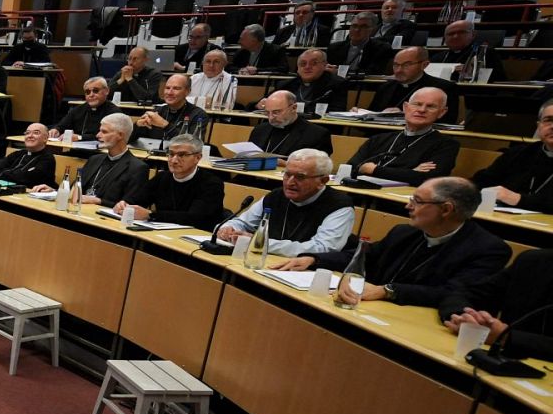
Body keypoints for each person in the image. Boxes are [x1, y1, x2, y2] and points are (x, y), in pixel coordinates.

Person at [275, 178, 509, 308]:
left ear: (446, 209)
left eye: (417, 201)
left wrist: (388, 291)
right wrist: (313, 259)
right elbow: (365, 256)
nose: (408, 206)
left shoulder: (488, 249)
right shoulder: (404, 232)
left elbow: (456, 293)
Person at [216, 148, 353, 255]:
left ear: (322, 181)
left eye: (300, 177)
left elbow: (323, 248)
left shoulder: (339, 206)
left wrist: (261, 243)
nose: (290, 182)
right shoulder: (276, 195)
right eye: (287, 174)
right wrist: (228, 228)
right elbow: (242, 223)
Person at [440, 249, 553, 361]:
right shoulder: (534, 260)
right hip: (498, 360)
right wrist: (466, 318)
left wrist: (507, 337)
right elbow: (466, 294)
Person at [346, 88, 458, 186]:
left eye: (431, 106)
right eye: (417, 104)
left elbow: (426, 179)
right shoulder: (378, 139)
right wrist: (409, 172)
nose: (422, 110)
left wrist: (373, 169)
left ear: (442, 112)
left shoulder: (446, 145)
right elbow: (350, 168)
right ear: (405, 107)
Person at [34, 113, 146, 206]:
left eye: (104, 132)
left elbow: (130, 206)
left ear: (120, 135)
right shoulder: (95, 159)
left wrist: (99, 201)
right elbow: (74, 190)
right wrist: (55, 191)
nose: (97, 135)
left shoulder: (137, 168)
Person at [117, 134, 224, 227]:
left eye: (182, 155)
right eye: (171, 154)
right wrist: (124, 204)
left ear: (198, 158)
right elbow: (138, 200)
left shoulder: (211, 183)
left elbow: (195, 218)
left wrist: (151, 215)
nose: (174, 160)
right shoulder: (162, 177)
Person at [471, 100, 553, 212]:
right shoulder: (519, 153)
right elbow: (482, 181)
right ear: (539, 126)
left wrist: (518, 199)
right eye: (548, 120)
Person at [367, 45, 459, 121]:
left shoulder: (443, 88)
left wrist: (402, 116)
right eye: (396, 65)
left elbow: (448, 120)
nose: (399, 70)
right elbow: (370, 115)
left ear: (424, 65)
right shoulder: (386, 87)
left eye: (406, 65)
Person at [247, 91, 333, 156]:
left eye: (276, 112)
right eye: (267, 113)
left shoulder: (317, 134)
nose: (271, 117)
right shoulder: (259, 130)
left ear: (294, 108)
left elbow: (317, 166)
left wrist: (285, 164)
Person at [135, 73, 206, 141]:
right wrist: (138, 125)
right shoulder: (157, 111)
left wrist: (164, 124)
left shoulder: (198, 115)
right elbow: (131, 140)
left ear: (187, 92)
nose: (169, 93)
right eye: (167, 88)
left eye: (176, 88)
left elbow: (193, 144)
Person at [279, 48, 347, 114]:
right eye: (303, 64)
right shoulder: (285, 85)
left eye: (314, 63)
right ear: (298, 69)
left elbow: (336, 111)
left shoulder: (336, 84)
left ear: (324, 65)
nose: (307, 67)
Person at [50, 76, 120, 139]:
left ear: (107, 91)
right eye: (88, 92)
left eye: (95, 91)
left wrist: (79, 137)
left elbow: (107, 136)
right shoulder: (78, 109)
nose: (91, 95)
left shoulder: (114, 113)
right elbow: (62, 125)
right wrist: (56, 130)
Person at [327, 11, 393, 76]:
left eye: (363, 27)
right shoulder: (334, 48)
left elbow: (373, 72)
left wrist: (341, 73)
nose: (357, 30)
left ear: (373, 29)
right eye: (354, 26)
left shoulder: (382, 48)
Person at [0, 122, 55, 189]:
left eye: (36, 133)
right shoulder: (17, 154)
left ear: (45, 138)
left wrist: (5, 173)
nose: (30, 136)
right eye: (27, 133)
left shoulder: (48, 159)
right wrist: (14, 175)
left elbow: (29, 180)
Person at [438, 20, 505, 79]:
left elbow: (499, 78)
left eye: (461, 32)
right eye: (450, 34)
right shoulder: (439, 57)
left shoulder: (485, 53)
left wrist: (473, 73)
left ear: (473, 34)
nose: (455, 36)